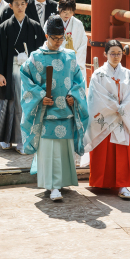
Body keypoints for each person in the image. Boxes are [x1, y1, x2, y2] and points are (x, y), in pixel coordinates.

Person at [20, 15, 89, 202]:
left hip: (65, 110)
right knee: (48, 149)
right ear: (46, 35)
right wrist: (40, 97)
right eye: (54, 38)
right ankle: (52, 185)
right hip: (46, 112)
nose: (58, 42)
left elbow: (79, 81)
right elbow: (25, 76)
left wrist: (74, 95)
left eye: (61, 39)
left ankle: (62, 181)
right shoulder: (36, 58)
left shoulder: (70, 56)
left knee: (62, 148)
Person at [83, 41, 130, 199]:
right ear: (105, 54)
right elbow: (96, 97)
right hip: (105, 117)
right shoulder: (98, 74)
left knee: (121, 152)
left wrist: (123, 108)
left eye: (119, 53)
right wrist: (114, 107)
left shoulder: (128, 74)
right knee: (104, 150)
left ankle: (122, 185)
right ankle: (102, 182)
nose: (116, 56)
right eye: (112, 53)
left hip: (121, 116)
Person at [0, 0, 45, 152]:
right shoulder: (5, 27)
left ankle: (23, 141)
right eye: (16, 4)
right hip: (9, 69)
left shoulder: (34, 27)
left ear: (26, 5)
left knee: (26, 105)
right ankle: (6, 138)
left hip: (29, 71)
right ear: (11, 6)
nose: (20, 7)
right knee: (9, 102)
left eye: (22, 4)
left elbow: (42, 50)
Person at [58, 0, 87, 76]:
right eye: (65, 12)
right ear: (59, 9)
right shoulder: (52, 21)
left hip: (74, 61)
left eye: (71, 12)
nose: (67, 15)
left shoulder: (78, 24)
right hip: (57, 60)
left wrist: (75, 61)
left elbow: (83, 44)